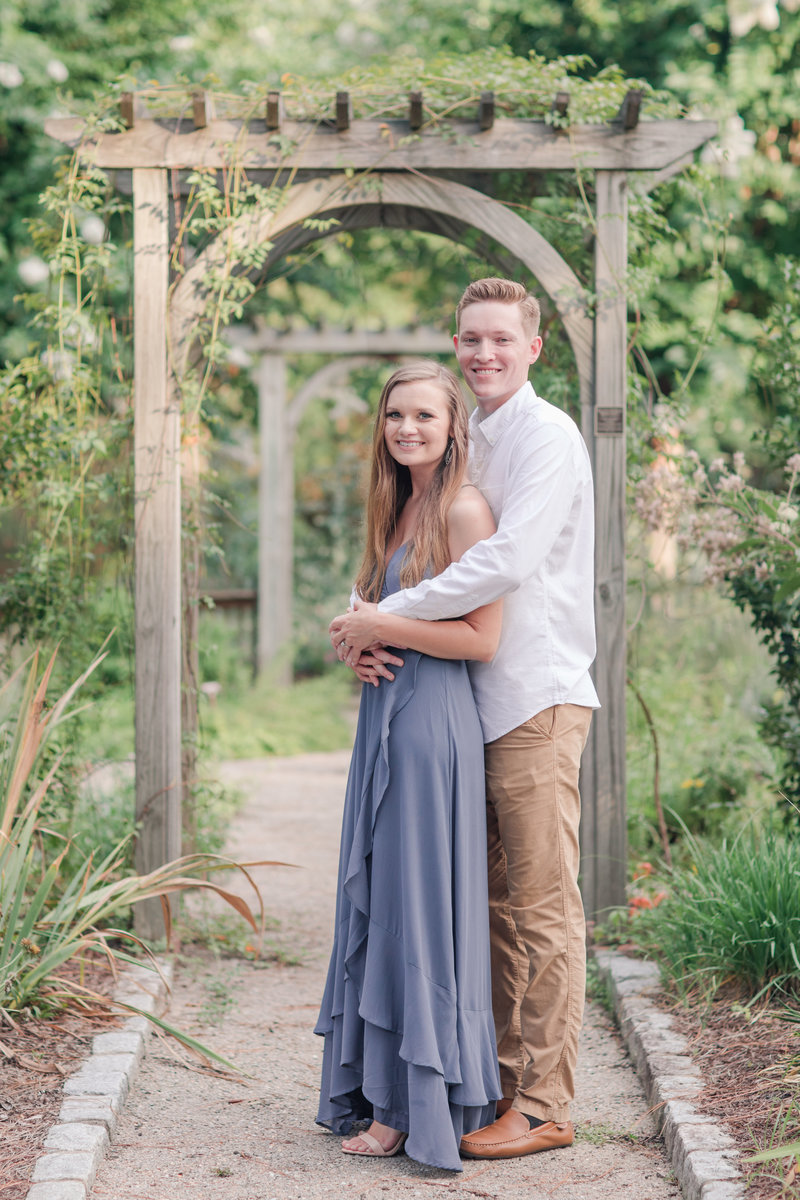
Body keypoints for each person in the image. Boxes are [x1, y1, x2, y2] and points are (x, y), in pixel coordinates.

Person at [330, 278, 600, 1161]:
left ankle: (548, 1102)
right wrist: (370, 623)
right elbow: (414, 550)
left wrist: (383, 615)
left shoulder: (549, 437)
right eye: (470, 340)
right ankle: (494, 1085)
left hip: (535, 697)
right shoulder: (472, 434)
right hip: (468, 712)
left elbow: (507, 562)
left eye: (500, 340)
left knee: (542, 906)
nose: (484, 354)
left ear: (533, 348)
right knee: (484, 911)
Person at [315, 360, 503, 1171]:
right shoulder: (400, 506)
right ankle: (375, 1086)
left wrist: (378, 622)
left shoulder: (464, 511)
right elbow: (381, 621)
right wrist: (359, 646)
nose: (407, 429)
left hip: (431, 727)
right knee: (383, 894)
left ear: (453, 424)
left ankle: (408, 1107)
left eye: (424, 415)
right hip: (384, 716)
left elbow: (479, 640)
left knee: (415, 906)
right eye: (396, 416)